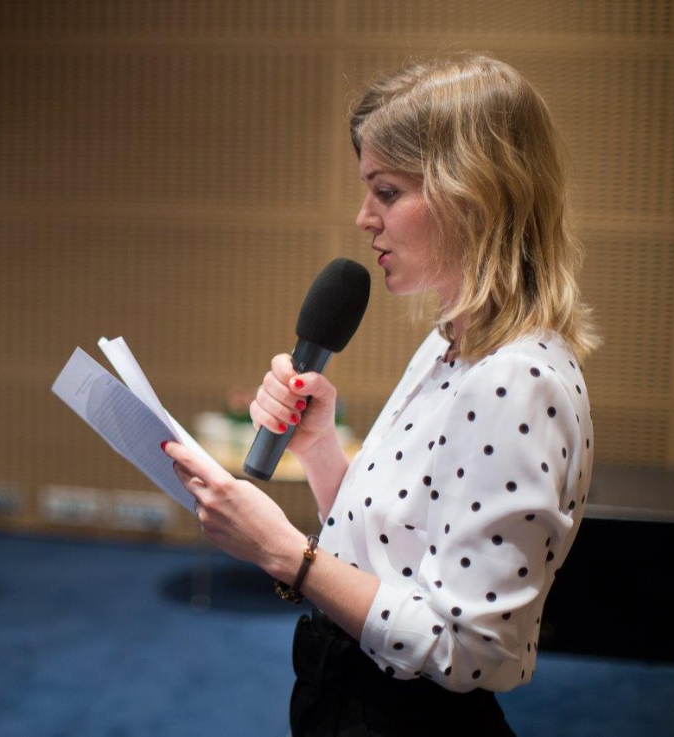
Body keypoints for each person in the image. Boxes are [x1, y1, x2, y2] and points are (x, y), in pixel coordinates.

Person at [164, 55, 598, 735]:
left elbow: (468, 652)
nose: (364, 217)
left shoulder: (517, 381)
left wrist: (284, 552)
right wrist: (319, 449)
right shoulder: (448, 344)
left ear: (473, 193)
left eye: (387, 191)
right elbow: (392, 551)